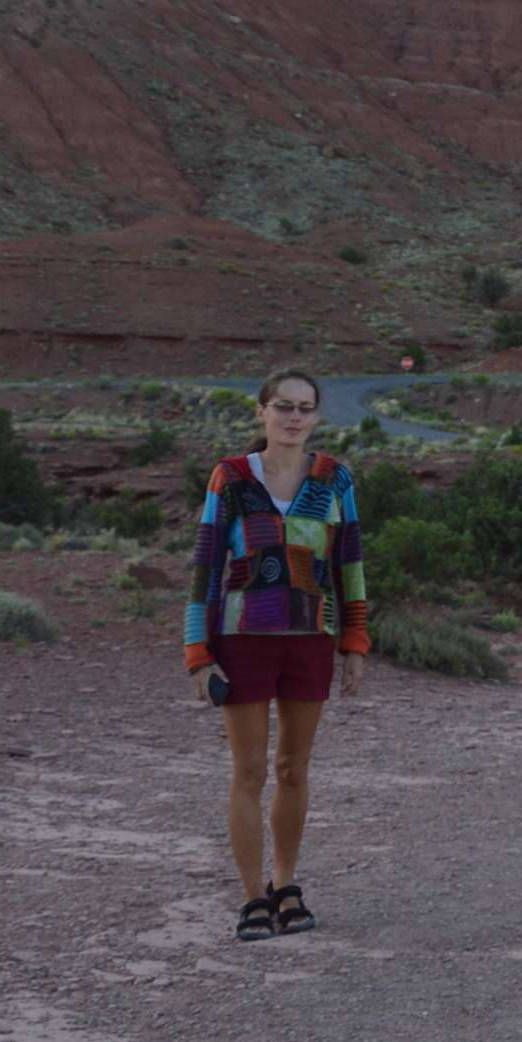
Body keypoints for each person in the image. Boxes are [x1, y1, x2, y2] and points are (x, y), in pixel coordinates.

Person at [185, 365, 369, 940]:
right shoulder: (232, 477)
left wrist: (355, 641)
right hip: (241, 641)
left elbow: (350, 566)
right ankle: (251, 897)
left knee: (294, 769)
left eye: (305, 407)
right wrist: (197, 649)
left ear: (316, 416)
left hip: (311, 640)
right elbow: (205, 566)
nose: (294, 417)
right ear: (261, 411)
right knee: (248, 771)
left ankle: (286, 883)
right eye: (283, 406)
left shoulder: (335, 480)